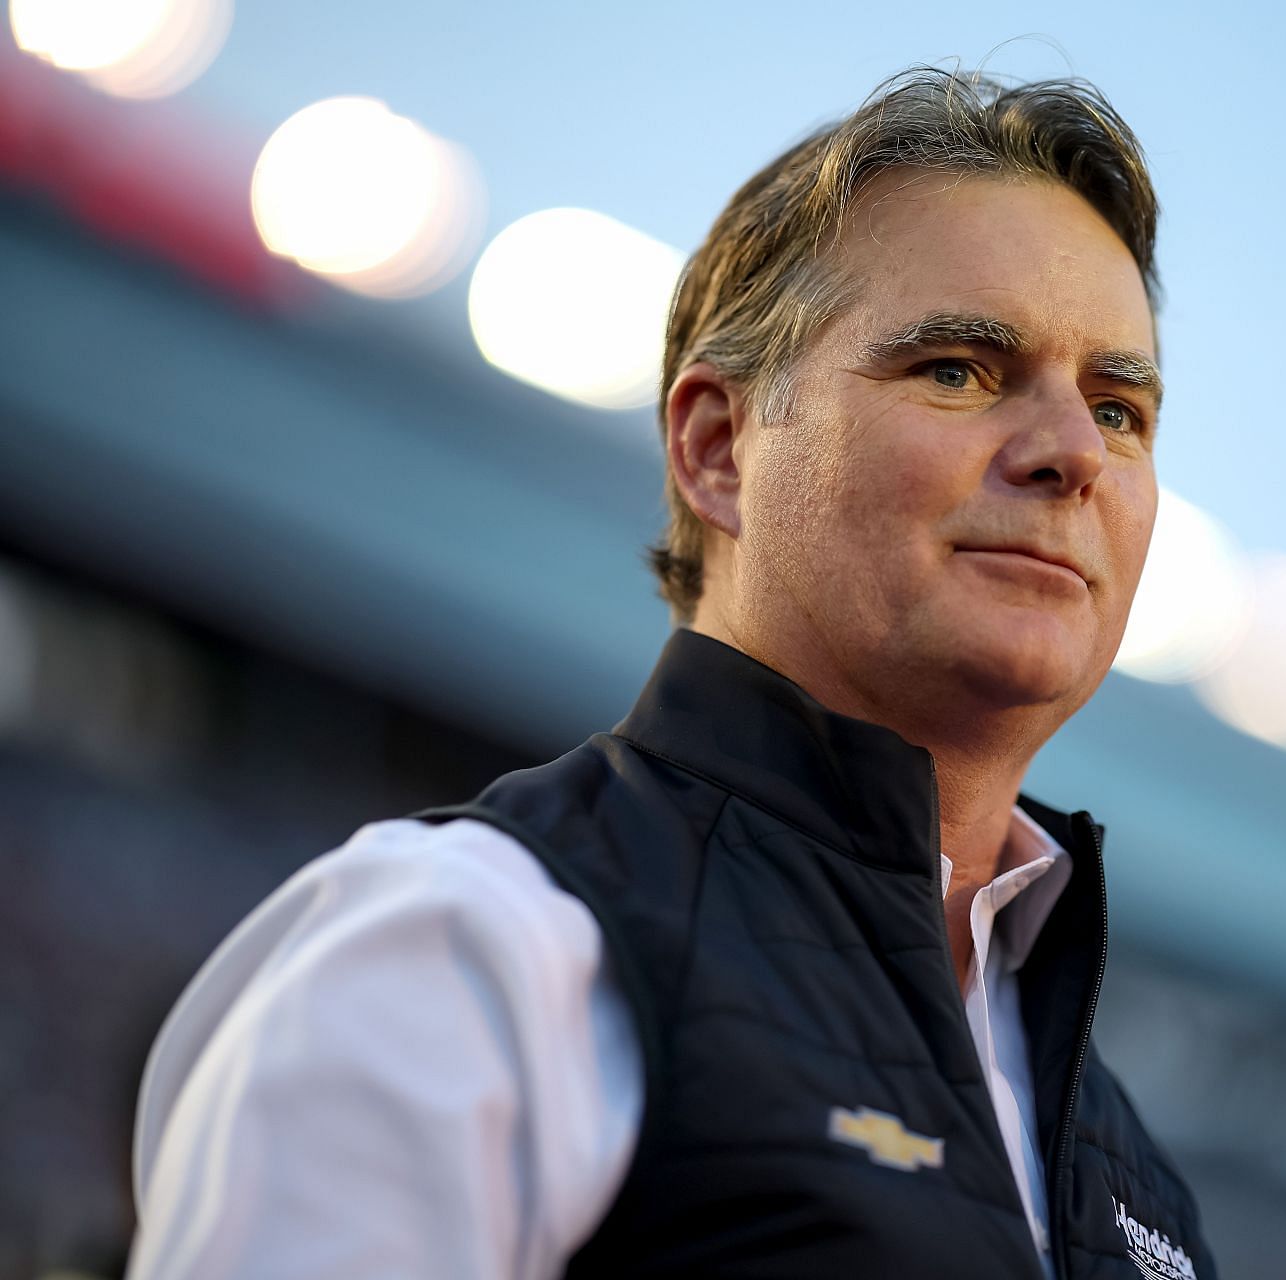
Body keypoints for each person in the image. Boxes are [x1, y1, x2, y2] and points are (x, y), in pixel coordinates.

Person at [129, 66, 1216, 1280]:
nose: (1073, 451)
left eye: (1120, 409)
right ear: (716, 448)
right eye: (958, 368)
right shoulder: (475, 945)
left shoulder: (1139, 1182)